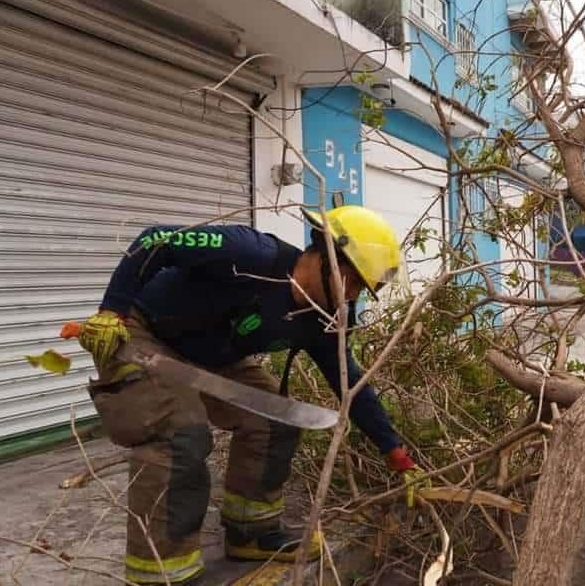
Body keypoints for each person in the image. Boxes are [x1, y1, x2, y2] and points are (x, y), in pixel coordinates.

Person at [74, 206, 422, 584]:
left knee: (277, 417)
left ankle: (250, 531)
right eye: (351, 283)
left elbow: (351, 384)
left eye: (359, 291)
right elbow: (154, 239)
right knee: (181, 431)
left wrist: (396, 454)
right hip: (145, 333)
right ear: (327, 258)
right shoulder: (249, 253)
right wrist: (112, 311)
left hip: (212, 356)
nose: (349, 299)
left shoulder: (322, 320)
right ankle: (161, 570)